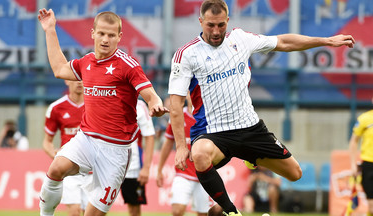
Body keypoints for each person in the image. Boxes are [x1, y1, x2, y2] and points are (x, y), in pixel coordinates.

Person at [168, 0, 355, 215]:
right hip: (213, 133)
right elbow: (175, 104)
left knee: (295, 174)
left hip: (249, 128)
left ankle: (249, 156)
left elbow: (284, 42)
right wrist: (182, 146)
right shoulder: (187, 55)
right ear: (200, 22)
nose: (216, 31)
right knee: (199, 154)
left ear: (227, 21)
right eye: (210, 25)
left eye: (221, 25)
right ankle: (231, 211)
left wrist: (327, 41)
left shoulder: (240, 39)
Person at [37, 8, 168, 216]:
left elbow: (150, 93)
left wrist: (155, 104)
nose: (105, 39)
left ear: (119, 37)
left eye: (111, 35)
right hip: (87, 140)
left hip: (116, 152)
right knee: (55, 169)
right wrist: (50, 30)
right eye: (101, 33)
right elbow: (59, 69)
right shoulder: (86, 62)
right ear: (93, 33)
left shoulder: (128, 65)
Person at [157, 94, 212, 216]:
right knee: (177, 211)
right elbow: (167, 143)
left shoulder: (209, 116)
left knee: (204, 214)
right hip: (183, 172)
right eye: (190, 91)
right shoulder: (178, 115)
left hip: (205, 173)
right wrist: (159, 169)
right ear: (186, 94)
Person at [43, 80, 89, 216]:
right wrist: (56, 156)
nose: (79, 83)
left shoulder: (95, 105)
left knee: (91, 213)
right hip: (70, 170)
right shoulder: (56, 108)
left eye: (82, 78)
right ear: (67, 80)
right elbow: (47, 142)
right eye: (75, 79)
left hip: (93, 168)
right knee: (74, 211)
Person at [121, 99, 155, 216]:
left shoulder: (139, 106)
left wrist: (146, 168)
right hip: (108, 164)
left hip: (132, 167)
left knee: (134, 207)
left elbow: (149, 136)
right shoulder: (107, 98)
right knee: (99, 206)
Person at [349, 98, 373, 216]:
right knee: (371, 205)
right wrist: (353, 164)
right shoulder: (364, 119)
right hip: (369, 164)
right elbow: (354, 141)